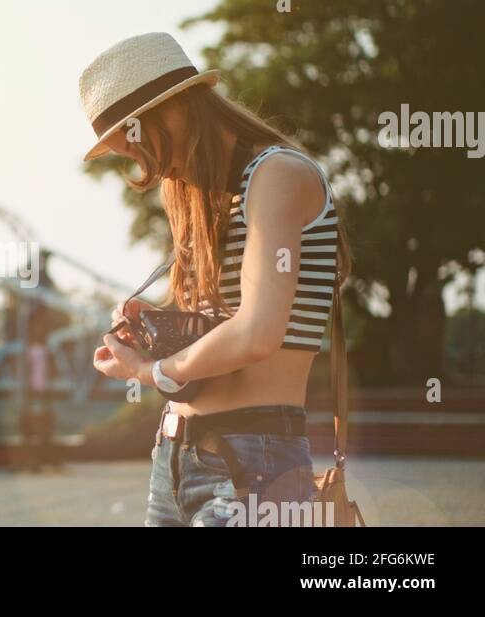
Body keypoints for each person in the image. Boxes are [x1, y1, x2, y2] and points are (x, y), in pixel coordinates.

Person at [82, 33, 351, 526]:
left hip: (253, 459)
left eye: (134, 138)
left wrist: (150, 373)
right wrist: (153, 326)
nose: (138, 163)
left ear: (177, 107)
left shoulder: (278, 176)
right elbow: (216, 323)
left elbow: (257, 333)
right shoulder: (190, 194)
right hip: (173, 459)